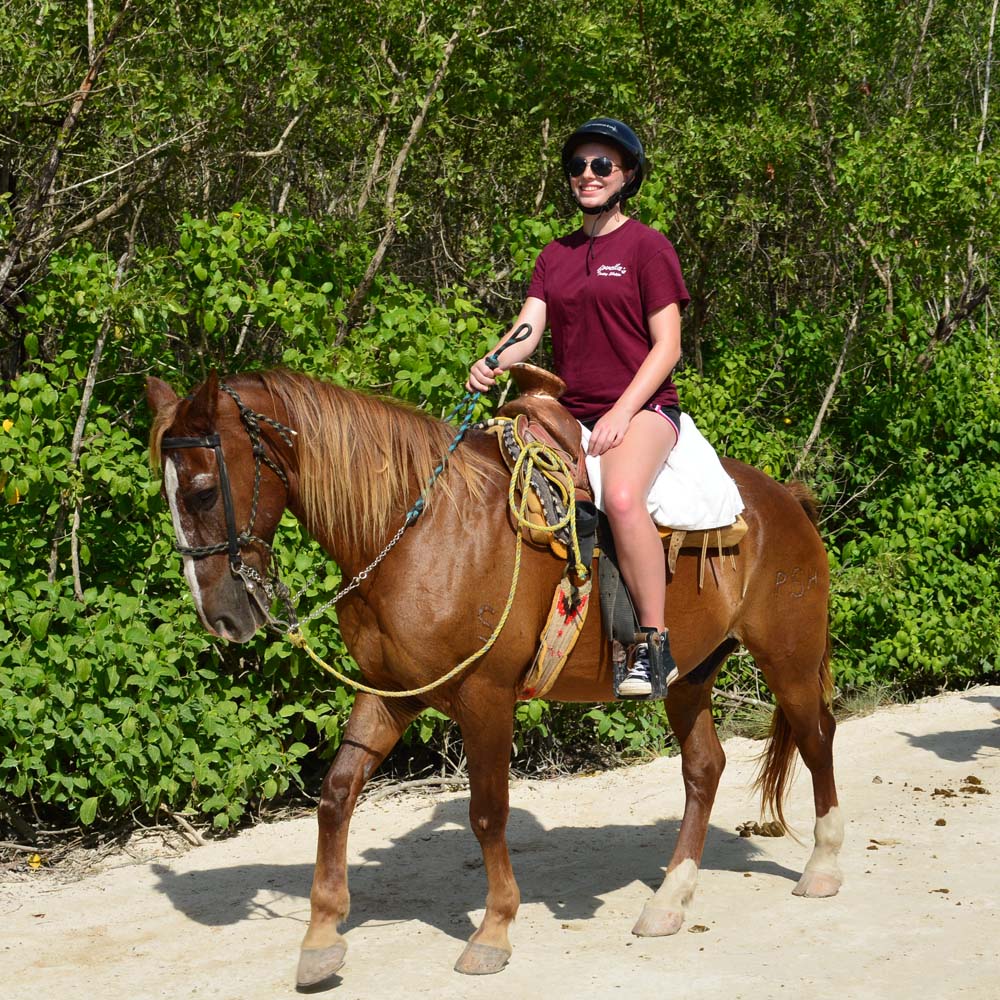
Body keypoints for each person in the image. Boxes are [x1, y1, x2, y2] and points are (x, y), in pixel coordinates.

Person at [468, 117, 689, 698]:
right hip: (568, 411)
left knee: (619, 496)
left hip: (643, 410)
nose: (586, 176)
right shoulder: (555, 255)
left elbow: (669, 345)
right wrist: (494, 358)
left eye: (600, 166)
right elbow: (529, 327)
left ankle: (654, 643)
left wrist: (621, 413)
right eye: (577, 167)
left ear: (627, 175)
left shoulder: (648, 247)